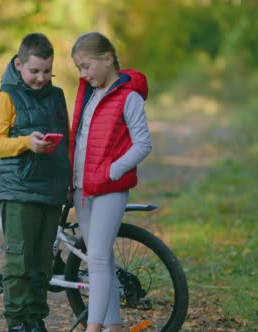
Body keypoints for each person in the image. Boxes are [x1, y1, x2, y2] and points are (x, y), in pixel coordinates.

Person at [69, 32, 152, 332]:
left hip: (108, 189)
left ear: (107, 58)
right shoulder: (89, 94)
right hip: (82, 188)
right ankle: (113, 325)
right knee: (99, 259)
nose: (83, 73)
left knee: (99, 259)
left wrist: (111, 172)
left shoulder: (128, 96)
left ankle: (93, 328)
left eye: (87, 65)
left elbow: (142, 143)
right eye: (79, 68)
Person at [0, 32, 71, 332]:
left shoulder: (57, 95)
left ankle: (36, 318)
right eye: (34, 71)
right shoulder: (6, 96)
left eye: (47, 71)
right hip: (20, 191)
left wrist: (70, 182)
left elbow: (68, 141)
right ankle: (17, 321)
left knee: (41, 262)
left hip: (52, 189)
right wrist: (26, 143)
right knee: (20, 261)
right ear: (18, 64)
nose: (41, 77)